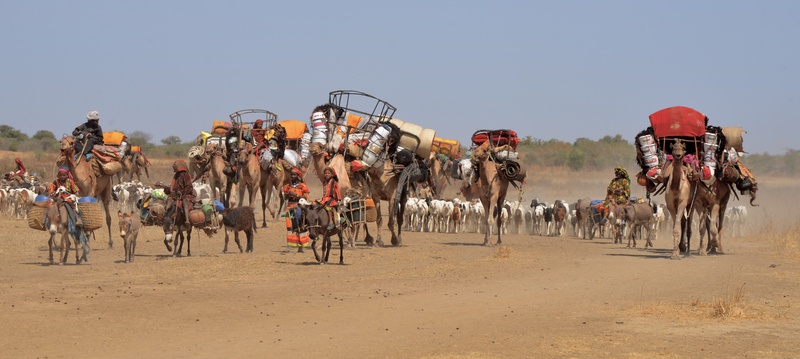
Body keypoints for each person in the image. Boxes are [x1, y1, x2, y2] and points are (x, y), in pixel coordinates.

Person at [282, 167, 311, 250]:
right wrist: (287, 195)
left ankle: (301, 245)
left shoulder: (302, 186)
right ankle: (290, 245)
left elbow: (305, 197)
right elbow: (285, 198)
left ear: (298, 176)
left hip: (299, 207)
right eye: (291, 175)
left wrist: (296, 195)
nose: (292, 176)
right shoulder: (287, 186)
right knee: (289, 225)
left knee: (299, 225)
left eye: (294, 175)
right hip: (289, 207)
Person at [163, 160, 195, 225]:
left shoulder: (186, 175)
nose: (174, 169)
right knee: (169, 199)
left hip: (185, 195)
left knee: (184, 201)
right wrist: (164, 186)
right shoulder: (176, 175)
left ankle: (187, 220)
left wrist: (180, 192)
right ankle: (165, 214)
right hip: (176, 195)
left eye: (174, 167)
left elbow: (189, 187)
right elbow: (173, 189)